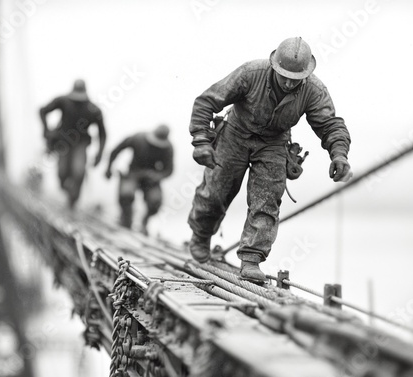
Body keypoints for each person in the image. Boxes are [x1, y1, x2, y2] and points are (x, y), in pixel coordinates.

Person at [187, 37, 352, 282]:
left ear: (305, 75)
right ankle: (201, 237)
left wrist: (339, 153)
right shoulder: (250, 73)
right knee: (215, 192)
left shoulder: (314, 91)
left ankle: (251, 259)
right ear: (274, 66)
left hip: (274, 143)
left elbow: (329, 125)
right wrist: (201, 140)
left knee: (266, 200)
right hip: (234, 134)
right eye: (283, 75)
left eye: (294, 79)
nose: (287, 82)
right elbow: (207, 101)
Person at [39, 79, 106, 208]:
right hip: (63, 143)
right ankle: (68, 190)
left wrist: (100, 153)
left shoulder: (93, 110)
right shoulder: (63, 102)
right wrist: (46, 130)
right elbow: (43, 111)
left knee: (78, 171)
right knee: (62, 173)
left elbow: (102, 134)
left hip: (80, 144)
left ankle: (73, 198)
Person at [104, 125, 174, 235]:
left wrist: (157, 176)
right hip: (133, 172)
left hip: (151, 178)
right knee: (126, 194)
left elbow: (169, 170)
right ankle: (126, 220)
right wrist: (108, 168)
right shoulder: (138, 138)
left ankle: (144, 222)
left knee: (155, 201)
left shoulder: (168, 148)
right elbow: (116, 150)